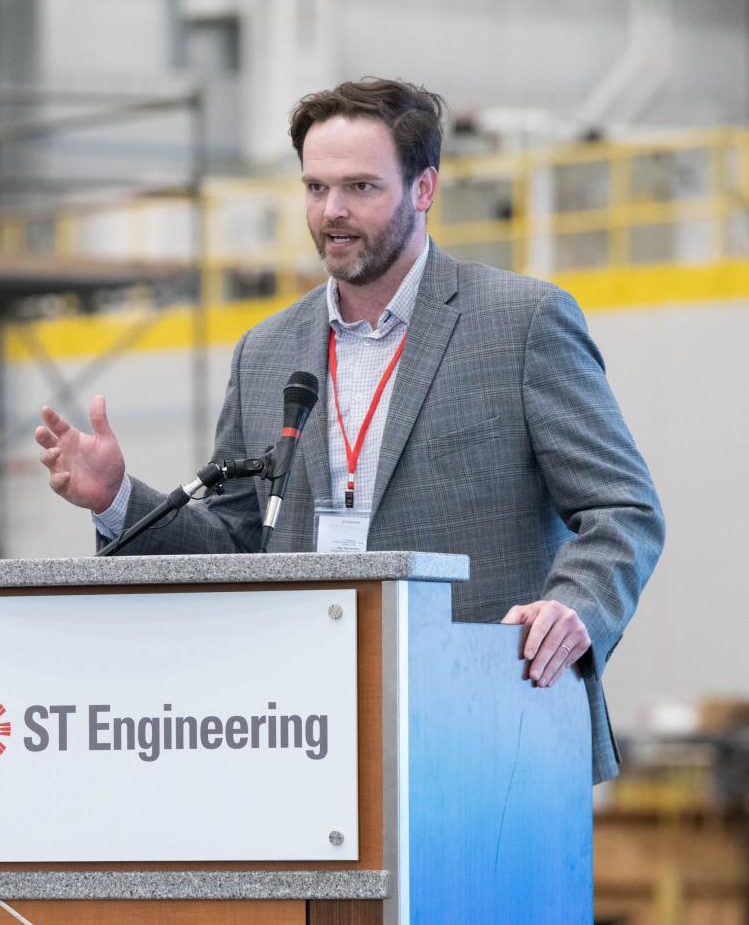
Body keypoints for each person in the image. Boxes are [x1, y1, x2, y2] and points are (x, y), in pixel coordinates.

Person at [36, 77, 664, 790]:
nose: (331, 212)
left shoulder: (522, 324)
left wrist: (575, 609)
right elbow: (240, 544)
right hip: (308, 732)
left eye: (361, 187)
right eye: (314, 188)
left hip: (493, 722)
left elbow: (624, 512)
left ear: (424, 189)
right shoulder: (266, 350)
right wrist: (118, 497)